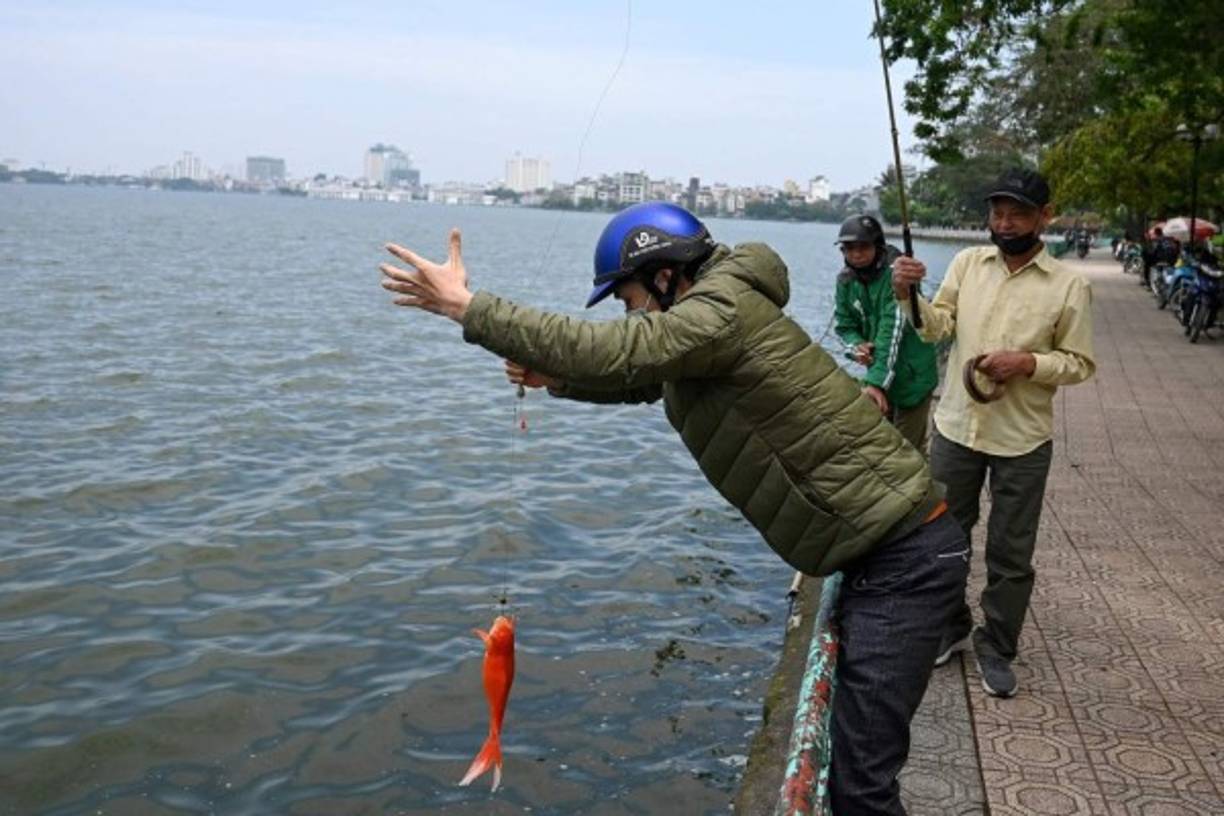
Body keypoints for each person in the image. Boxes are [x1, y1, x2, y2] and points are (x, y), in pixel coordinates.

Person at [380, 201, 968, 814]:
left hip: (904, 562)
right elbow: (646, 378)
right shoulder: (711, 319)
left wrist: (468, 308)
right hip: (885, 553)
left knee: (862, 790)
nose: (626, 312)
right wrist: (555, 381)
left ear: (665, 275)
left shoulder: (720, 310)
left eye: (627, 298)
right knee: (857, 780)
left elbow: (614, 351)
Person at [891, 168, 1096, 699]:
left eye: (1018, 214)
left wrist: (1029, 362)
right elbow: (936, 326)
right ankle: (950, 626)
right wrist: (907, 294)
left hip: (1022, 439)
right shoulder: (966, 263)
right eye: (997, 213)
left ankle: (998, 647)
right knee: (942, 538)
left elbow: (1079, 364)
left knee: (1010, 551)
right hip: (957, 426)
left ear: (1044, 217)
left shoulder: (1070, 285)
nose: (1004, 224)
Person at [833, 214, 939, 452]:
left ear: (878, 246)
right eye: (849, 248)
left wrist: (875, 383)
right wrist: (857, 347)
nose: (856, 254)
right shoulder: (846, 281)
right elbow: (844, 325)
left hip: (913, 375)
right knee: (881, 446)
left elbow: (892, 330)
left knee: (906, 451)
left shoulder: (900, 277)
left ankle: (924, 487)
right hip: (880, 373)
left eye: (863, 247)